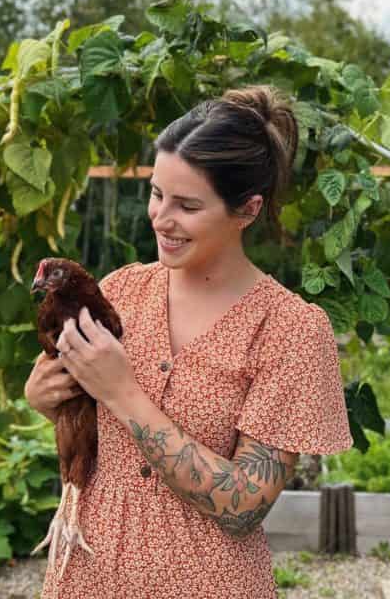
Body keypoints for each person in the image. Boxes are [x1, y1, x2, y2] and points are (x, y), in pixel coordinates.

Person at [25, 85, 353, 598]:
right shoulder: (120, 291)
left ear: (246, 210)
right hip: (88, 578)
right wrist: (45, 397)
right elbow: (91, 428)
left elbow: (245, 506)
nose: (161, 218)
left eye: (187, 205)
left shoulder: (290, 331)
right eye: (157, 194)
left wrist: (122, 392)